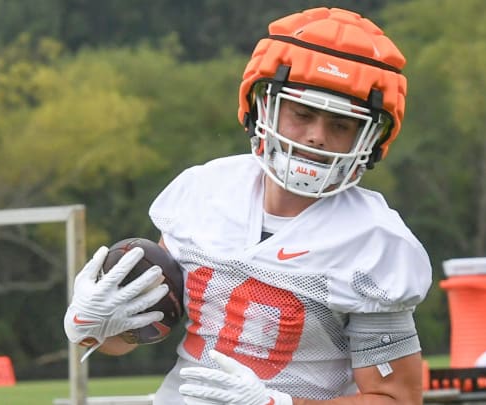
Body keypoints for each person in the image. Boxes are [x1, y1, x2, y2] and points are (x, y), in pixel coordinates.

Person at [64, 6, 432, 405]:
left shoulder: (374, 241)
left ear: (370, 138)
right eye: (302, 113)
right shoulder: (204, 193)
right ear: (262, 105)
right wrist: (91, 324)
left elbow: (396, 398)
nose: (316, 137)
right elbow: (129, 338)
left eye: (340, 125)